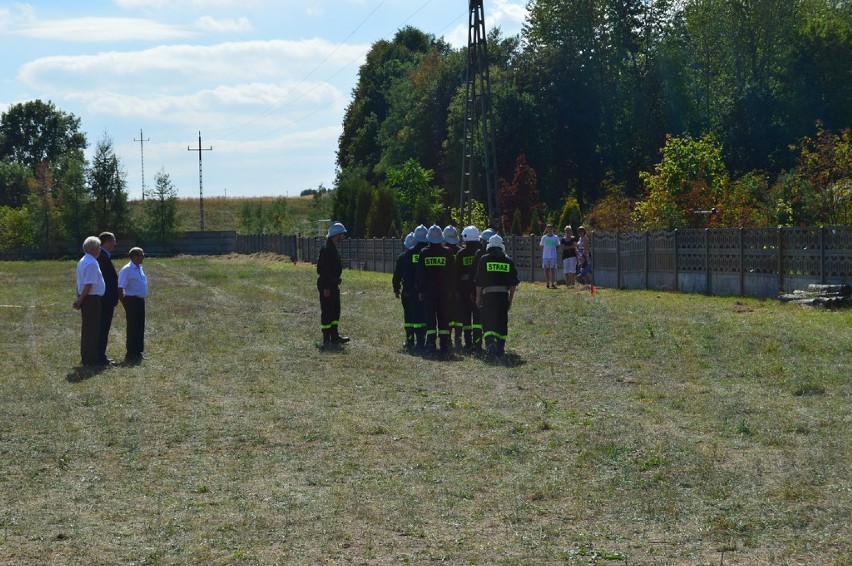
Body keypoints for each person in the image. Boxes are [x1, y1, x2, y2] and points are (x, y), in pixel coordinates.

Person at [475, 235, 520, 357]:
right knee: (501, 321)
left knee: (487, 320)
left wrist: (478, 298)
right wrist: (510, 300)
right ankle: (500, 347)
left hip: (488, 296)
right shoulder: (508, 261)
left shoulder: (484, 259)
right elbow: (513, 284)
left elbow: (479, 281)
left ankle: (490, 344)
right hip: (502, 296)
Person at [416, 224, 456, 354]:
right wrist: (451, 290)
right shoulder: (448, 252)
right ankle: (445, 344)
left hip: (429, 292)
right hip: (444, 292)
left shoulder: (424, 253)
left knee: (430, 317)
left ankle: (431, 344)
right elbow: (452, 273)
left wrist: (420, 290)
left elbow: (420, 274)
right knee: (444, 316)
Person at [72, 236, 106, 366]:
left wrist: (79, 298)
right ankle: (90, 359)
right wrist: (80, 300)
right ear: (93, 249)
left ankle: (87, 357)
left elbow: (80, 282)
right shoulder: (91, 262)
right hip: (91, 299)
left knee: (88, 329)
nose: (100, 250)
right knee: (92, 329)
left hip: (87, 298)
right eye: (98, 248)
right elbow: (88, 284)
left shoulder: (83, 260)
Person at [317, 222, 350, 346]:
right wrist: (326, 287)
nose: (343, 237)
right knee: (327, 312)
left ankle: (335, 337)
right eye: (342, 235)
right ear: (337, 235)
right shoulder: (327, 249)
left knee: (335, 311)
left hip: (333, 284)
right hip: (327, 285)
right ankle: (326, 339)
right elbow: (323, 269)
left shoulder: (332, 247)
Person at [118, 247, 148, 364]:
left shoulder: (139, 268)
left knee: (140, 325)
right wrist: (125, 303)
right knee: (133, 326)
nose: (143, 257)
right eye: (141, 255)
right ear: (134, 257)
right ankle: (131, 352)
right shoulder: (127, 269)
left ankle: (138, 351)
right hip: (131, 300)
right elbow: (120, 287)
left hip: (140, 300)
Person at [455, 225, 483, 351]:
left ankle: (468, 343)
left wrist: (456, 290)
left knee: (466, 316)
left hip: (464, 289)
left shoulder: (461, 253)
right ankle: (478, 343)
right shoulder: (482, 253)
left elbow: (456, 273)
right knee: (477, 316)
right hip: (479, 289)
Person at [96, 231, 119, 365]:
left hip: (106, 299)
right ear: (107, 242)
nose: (114, 244)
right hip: (105, 299)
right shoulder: (102, 257)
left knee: (103, 328)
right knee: (102, 328)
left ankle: (100, 355)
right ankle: (100, 357)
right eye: (113, 241)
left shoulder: (104, 256)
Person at [392, 232, 417, 350]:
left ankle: (410, 340)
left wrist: (396, 289)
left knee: (409, 317)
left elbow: (397, 275)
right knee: (421, 316)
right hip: (422, 291)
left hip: (407, 292)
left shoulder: (403, 257)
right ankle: (422, 340)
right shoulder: (422, 255)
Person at [442, 225, 463, 348]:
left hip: (447, 288)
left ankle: (448, 338)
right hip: (460, 288)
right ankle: (458, 339)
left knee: (448, 313)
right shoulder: (460, 251)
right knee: (459, 314)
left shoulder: (443, 252)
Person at [539, 223, 561, 289]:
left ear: (552, 229)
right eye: (548, 228)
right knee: (546, 270)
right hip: (545, 256)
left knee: (553, 270)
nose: (549, 229)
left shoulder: (555, 237)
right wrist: (545, 252)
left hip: (553, 256)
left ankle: (553, 283)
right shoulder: (544, 237)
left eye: (550, 228)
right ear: (546, 229)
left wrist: (553, 252)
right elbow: (541, 246)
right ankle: (547, 283)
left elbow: (557, 246)